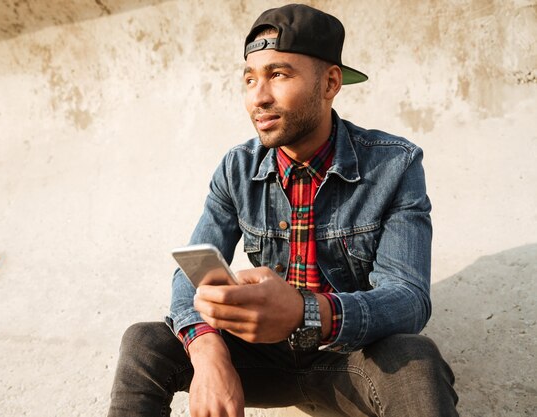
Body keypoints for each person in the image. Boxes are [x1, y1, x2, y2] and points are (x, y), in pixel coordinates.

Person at [107, 4, 458, 417]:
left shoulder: (394, 165)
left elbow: (409, 299)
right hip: (262, 360)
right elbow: (191, 273)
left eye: (279, 74)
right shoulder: (236, 169)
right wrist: (207, 349)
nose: (259, 96)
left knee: (415, 358)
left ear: (330, 83)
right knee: (144, 343)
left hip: (347, 359)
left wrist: (306, 312)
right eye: (250, 78)